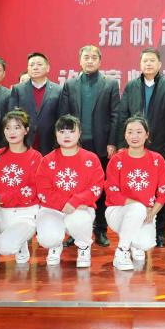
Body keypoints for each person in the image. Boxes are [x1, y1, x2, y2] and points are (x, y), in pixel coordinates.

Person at [114, 47, 165, 248]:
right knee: (138, 186)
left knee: (161, 189)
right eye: (145, 61)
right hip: (134, 147)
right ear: (140, 64)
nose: (149, 64)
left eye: (152, 60)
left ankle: (160, 232)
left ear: (159, 64)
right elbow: (122, 115)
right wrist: (121, 144)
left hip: (160, 145)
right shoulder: (131, 86)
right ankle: (135, 226)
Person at [58, 45, 120, 247]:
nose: (90, 60)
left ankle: (100, 229)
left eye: (94, 57)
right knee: (75, 187)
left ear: (100, 61)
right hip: (76, 146)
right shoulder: (70, 84)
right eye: (86, 57)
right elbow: (64, 116)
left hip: (101, 144)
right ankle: (74, 231)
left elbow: (116, 115)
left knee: (100, 188)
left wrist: (112, 141)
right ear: (80, 60)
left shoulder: (110, 83)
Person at [0, 109, 43, 271]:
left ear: (26, 130)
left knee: (5, 248)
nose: (11, 132)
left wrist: (2, 197)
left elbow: (34, 189)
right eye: (7, 128)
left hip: (25, 212)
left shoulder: (36, 157)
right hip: (0, 209)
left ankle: (19, 242)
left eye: (17, 127)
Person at [33, 115, 105, 269]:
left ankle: (84, 247)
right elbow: (43, 190)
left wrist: (75, 202)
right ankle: (55, 245)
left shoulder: (91, 159)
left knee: (80, 220)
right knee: (47, 239)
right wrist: (65, 203)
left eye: (71, 131)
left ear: (80, 134)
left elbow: (96, 186)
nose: (66, 135)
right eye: (62, 131)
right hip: (52, 208)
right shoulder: (47, 160)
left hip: (79, 208)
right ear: (56, 134)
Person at [104, 116, 165, 270]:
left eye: (139, 132)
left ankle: (134, 243)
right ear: (125, 135)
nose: (134, 136)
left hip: (147, 213)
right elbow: (112, 192)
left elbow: (163, 192)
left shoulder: (157, 160)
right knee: (137, 209)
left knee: (144, 244)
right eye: (130, 132)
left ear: (147, 135)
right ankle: (122, 251)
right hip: (118, 211)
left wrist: (152, 212)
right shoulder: (117, 160)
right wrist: (139, 206)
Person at [9, 52, 63, 155]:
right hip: (24, 142)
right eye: (31, 65)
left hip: (50, 143)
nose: (35, 67)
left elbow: (61, 117)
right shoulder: (18, 89)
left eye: (39, 64)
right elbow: (12, 116)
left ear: (47, 68)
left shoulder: (58, 90)